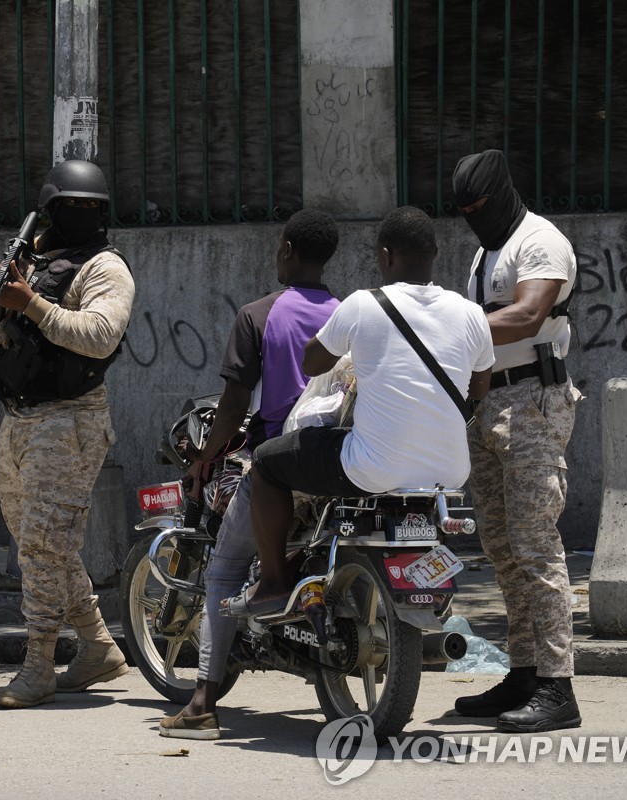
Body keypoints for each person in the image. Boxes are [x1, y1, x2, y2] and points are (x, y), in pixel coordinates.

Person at [230, 205, 494, 618]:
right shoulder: (472, 314)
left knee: (266, 463)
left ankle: (273, 583)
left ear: (385, 255)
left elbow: (312, 364)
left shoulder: (363, 304)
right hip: (448, 475)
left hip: (372, 468)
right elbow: (479, 387)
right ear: (436, 253)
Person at [158, 209, 342, 740]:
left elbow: (236, 402)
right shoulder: (346, 314)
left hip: (278, 464)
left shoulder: (259, 315)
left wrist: (205, 458)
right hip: (337, 460)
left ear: (286, 249)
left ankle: (201, 704)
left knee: (224, 567)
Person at [0, 160, 136, 708]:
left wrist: (33, 305)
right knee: (43, 544)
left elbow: (102, 335)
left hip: (71, 421)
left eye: (92, 207)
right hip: (19, 418)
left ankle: (38, 663)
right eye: (73, 206)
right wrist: (5, 278)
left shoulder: (105, 268)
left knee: (44, 543)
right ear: (51, 207)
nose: (83, 215)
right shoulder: (33, 258)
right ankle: (98, 646)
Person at [451, 149, 583, 732]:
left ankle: (559, 686)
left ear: (502, 193)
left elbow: (528, 316)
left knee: (536, 546)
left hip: (534, 402)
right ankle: (525, 672)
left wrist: (446, 326)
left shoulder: (540, 241)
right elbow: (482, 342)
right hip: (489, 405)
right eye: (465, 210)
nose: (474, 217)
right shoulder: (485, 252)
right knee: (503, 551)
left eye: (481, 206)